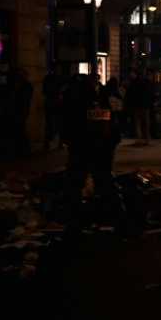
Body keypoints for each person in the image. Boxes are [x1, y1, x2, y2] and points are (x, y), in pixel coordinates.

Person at [59, 75, 123, 234]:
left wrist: (69, 140)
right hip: (97, 148)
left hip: (83, 147)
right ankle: (111, 213)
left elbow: (69, 125)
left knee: (77, 180)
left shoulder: (76, 104)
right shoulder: (101, 101)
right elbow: (110, 127)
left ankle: (74, 216)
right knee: (102, 179)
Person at [125, 70, 153, 146]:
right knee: (146, 123)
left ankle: (139, 139)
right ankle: (147, 139)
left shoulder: (134, 83)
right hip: (145, 105)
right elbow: (150, 94)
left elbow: (130, 94)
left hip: (137, 105)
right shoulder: (146, 83)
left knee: (138, 123)